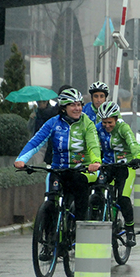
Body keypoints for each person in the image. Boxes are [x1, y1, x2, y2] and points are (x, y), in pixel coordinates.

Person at [14, 88, 102, 222]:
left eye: (79, 105)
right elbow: (36, 141)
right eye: (73, 105)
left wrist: (95, 162)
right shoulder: (53, 122)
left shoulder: (87, 124)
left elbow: (93, 145)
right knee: (51, 198)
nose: (77, 108)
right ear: (63, 108)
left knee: (80, 187)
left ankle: (80, 228)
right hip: (58, 168)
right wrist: (21, 159)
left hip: (82, 170)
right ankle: (49, 232)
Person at [95, 101, 140, 246]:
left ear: (116, 119)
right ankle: (97, 218)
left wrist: (136, 158)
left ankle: (130, 230)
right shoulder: (98, 129)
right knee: (96, 191)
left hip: (125, 166)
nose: (107, 126)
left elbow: (133, 144)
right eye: (104, 122)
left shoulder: (123, 128)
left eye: (110, 122)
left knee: (123, 198)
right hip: (108, 165)